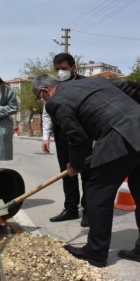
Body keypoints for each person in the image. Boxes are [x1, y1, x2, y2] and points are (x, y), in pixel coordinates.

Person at [32, 74, 140, 268]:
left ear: (45, 91)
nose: (43, 101)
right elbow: (135, 88)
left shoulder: (56, 102)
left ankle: (95, 251)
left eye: (40, 97)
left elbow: (76, 137)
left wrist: (75, 166)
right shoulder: (93, 81)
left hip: (121, 136)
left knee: (96, 191)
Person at [41, 53, 93, 226]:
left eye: (63, 69)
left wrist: (97, 136)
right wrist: (46, 137)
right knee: (67, 173)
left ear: (73, 67)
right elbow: (47, 111)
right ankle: (71, 209)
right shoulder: (54, 86)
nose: (61, 72)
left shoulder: (85, 84)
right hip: (63, 136)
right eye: (57, 69)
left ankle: (88, 211)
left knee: (87, 174)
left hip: (85, 135)